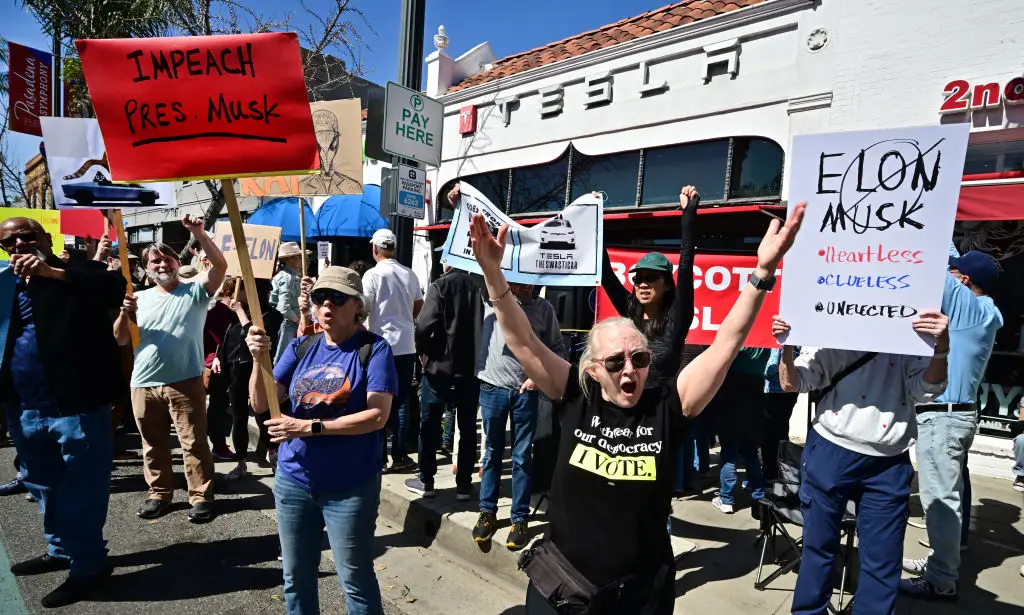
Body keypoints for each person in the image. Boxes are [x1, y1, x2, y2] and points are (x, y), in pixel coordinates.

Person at [468, 199, 805, 614]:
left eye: (640, 359)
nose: (630, 370)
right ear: (591, 368)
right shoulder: (575, 393)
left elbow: (726, 344)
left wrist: (761, 273)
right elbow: (523, 341)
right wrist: (492, 272)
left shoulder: (668, 405)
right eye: (615, 362)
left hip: (641, 594)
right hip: (562, 587)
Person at [774, 311, 951, 615]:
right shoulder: (831, 324)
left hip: (888, 461)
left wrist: (941, 348)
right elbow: (792, 382)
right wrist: (786, 346)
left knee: (883, 564)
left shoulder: (910, 330)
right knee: (817, 551)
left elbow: (927, 390)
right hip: (831, 450)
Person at [245, 266, 396, 615]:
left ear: (357, 305)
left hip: (350, 485)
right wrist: (258, 361)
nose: (326, 305)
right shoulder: (300, 346)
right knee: (296, 576)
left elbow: (377, 416)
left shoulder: (374, 350)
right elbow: (260, 402)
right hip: (294, 480)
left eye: (337, 298)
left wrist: (309, 427)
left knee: (354, 578)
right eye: (320, 298)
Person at [0, 216, 127, 607]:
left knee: (81, 490)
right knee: (41, 482)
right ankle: (60, 550)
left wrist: (52, 272)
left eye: (28, 236)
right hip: (23, 406)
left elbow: (112, 289)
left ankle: (88, 566)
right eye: (10, 241)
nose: (20, 245)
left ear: (46, 237)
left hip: (75, 406)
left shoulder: (78, 270)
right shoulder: (4, 282)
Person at [899, 245, 1003, 601]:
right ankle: (941, 561)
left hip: (944, 418)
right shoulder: (984, 311)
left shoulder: (969, 308)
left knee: (939, 500)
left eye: (956, 272)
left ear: (964, 279)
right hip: (956, 415)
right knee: (951, 493)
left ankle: (941, 580)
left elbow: (928, 262)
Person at [114, 215, 227, 524]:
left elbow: (220, 267)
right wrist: (125, 314)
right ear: (146, 269)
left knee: (193, 442)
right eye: (155, 262)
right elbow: (121, 337)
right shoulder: (136, 298)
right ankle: (159, 494)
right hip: (143, 383)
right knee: (152, 444)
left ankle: (201, 496)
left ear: (177, 263)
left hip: (185, 381)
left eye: (167, 259)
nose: (161, 265)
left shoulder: (195, 292)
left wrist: (200, 234)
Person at [601, 186, 698, 499]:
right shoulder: (630, 311)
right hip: (627, 408)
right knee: (622, 482)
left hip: (662, 413)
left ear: (666, 285)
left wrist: (688, 213)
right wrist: (596, 219)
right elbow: (604, 273)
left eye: (651, 278)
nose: (642, 283)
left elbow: (685, 264)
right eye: (638, 278)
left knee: (656, 487)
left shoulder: (677, 318)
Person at [473, 282, 565, 550]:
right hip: (492, 387)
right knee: (491, 453)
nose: (522, 281)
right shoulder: (492, 299)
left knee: (522, 456)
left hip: (526, 392)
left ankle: (519, 518)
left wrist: (538, 378)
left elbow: (557, 349)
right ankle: (487, 512)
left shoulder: (544, 308)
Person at [410, 260, 483, 499]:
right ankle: (464, 483)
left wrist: (422, 350)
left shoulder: (440, 286)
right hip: (471, 368)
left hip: (439, 368)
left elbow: (423, 324)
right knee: (468, 426)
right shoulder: (480, 285)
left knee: (430, 424)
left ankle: (426, 479)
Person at [363, 228, 423, 473]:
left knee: (376, 398)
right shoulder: (410, 274)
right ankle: (399, 456)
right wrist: (405, 321)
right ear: (394, 249)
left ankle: (378, 455)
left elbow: (364, 308)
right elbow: (419, 305)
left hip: (380, 344)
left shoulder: (372, 274)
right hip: (406, 345)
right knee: (401, 401)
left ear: (375, 249)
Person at [211, 278, 282, 480]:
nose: (235, 293)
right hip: (233, 369)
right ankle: (241, 463)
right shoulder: (234, 314)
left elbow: (252, 335)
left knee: (262, 414)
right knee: (238, 416)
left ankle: (273, 453)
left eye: (240, 289)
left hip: (257, 370)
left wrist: (241, 312)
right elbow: (229, 338)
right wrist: (218, 356)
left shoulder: (271, 315)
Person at [709, 348, 768, 514]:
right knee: (750, 452)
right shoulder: (764, 344)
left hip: (732, 398)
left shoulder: (738, 344)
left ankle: (726, 498)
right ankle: (758, 495)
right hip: (755, 398)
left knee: (729, 453)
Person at [206, 278, 237, 461]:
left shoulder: (233, 311)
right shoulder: (218, 312)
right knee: (220, 406)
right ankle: (218, 445)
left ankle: (220, 443)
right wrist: (214, 358)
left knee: (224, 405)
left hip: (230, 364)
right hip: (218, 365)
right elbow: (216, 341)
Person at [762, 346, 801, 482]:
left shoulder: (779, 342)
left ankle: (770, 474)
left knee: (769, 436)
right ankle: (784, 472)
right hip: (790, 390)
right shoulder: (796, 340)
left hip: (773, 390)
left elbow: (770, 370)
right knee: (782, 431)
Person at [271, 242, 304, 364]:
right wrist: (298, 320)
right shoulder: (288, 278)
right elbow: (284, 307)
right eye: (299, 257)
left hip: (288, 322)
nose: (302, 260)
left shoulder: (287, 276)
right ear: (291, 259)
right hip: (288, 323)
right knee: (283, 358)